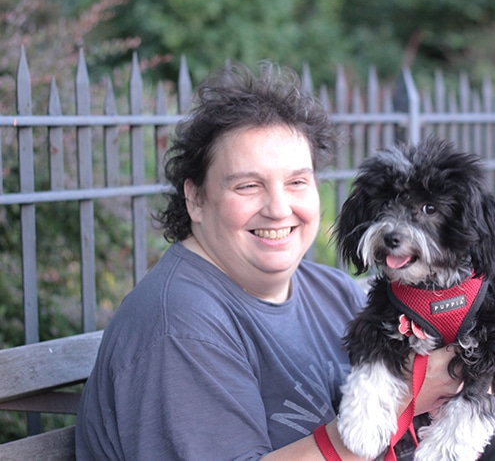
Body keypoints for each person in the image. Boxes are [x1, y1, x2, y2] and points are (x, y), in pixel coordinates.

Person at [75, 62, 463, 460]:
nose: (279, 209)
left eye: (297, 182)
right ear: (195, 199)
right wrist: (405, 396)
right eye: (248, 185)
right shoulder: (179, 328)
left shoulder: (333, 291)